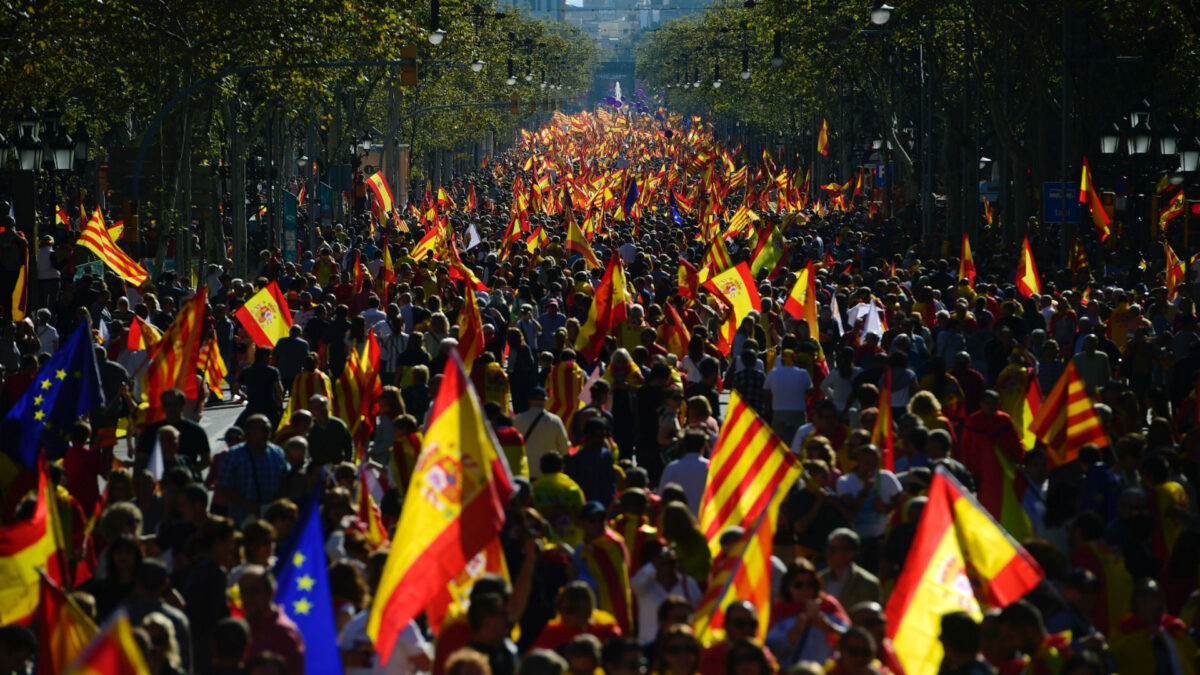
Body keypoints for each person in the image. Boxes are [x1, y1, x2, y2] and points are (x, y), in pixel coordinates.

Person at [216, 414, 289, 523]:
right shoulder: (235, 455)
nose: (268, 432)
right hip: (242, 517)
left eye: (269, 429)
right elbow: (224, 486)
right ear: (250, 432)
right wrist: (250, 506)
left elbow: (286, 479)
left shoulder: (277, 453)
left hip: (272, 517)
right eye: (264, 429)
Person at [238, 565, 305, 673]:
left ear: (270, 592)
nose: (246, 597)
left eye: (253, 591)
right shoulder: (240, 629)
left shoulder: (285, 634)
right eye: (242, 591)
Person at [818, 529, 882, 614]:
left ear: (850, 553)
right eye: (828, 548)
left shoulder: (867, 584)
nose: (829, 553)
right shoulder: (819, 579)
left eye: (834, 549)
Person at [514, 386, 569, 477]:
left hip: (525, 472)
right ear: (546, 401)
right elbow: (565, 448)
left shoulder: (518, 419)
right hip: (549, 474)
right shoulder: (555, 420)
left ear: (529, 401)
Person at [658, 427, 710, 517]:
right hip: (704, 520)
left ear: (684, 446)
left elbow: (661, 497)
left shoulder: (672, 467)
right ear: (703, 447)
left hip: (678, 521)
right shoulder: (710, 468)